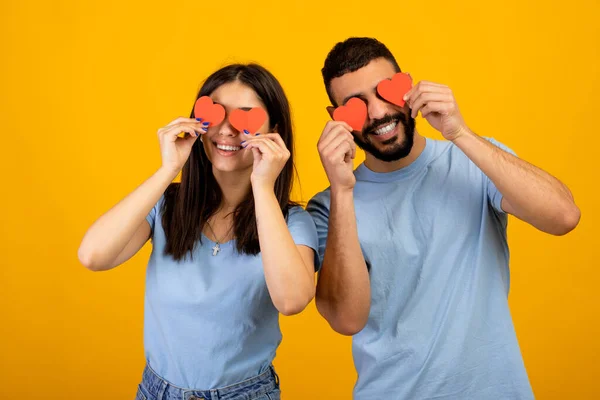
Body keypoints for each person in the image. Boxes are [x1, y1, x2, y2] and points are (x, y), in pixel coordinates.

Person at [307, 37, 580, 399]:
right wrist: (342, 190)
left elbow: (563, 216)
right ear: (334, 119)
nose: (376, 114)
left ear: (408, 86)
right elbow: (345, 319)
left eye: (384, 92)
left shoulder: (476, 162)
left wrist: (459, 132)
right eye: (354, 105)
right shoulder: (330, 206)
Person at [78, 63, 318, 400]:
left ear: (274, 130)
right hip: (156, 391)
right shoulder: (166, 205)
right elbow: (93, 255)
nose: (227, 130)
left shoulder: (292, 221)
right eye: (216, 114)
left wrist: (263, 186)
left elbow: (292, 300)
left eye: (245, 117)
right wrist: (168, 169)